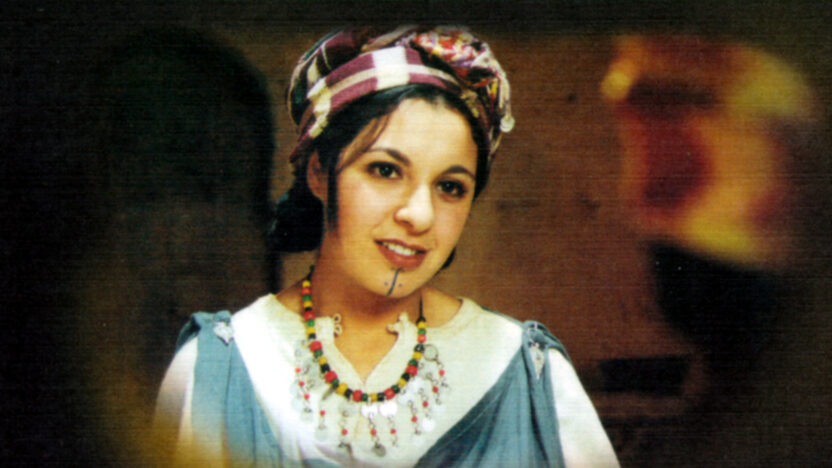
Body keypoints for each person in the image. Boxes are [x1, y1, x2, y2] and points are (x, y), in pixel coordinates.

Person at [154, 25, 619, 467]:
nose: (420, 215)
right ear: (319, 172)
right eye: (385, 170)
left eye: (450, 187)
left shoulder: (529, 373)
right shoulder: (217, 369)